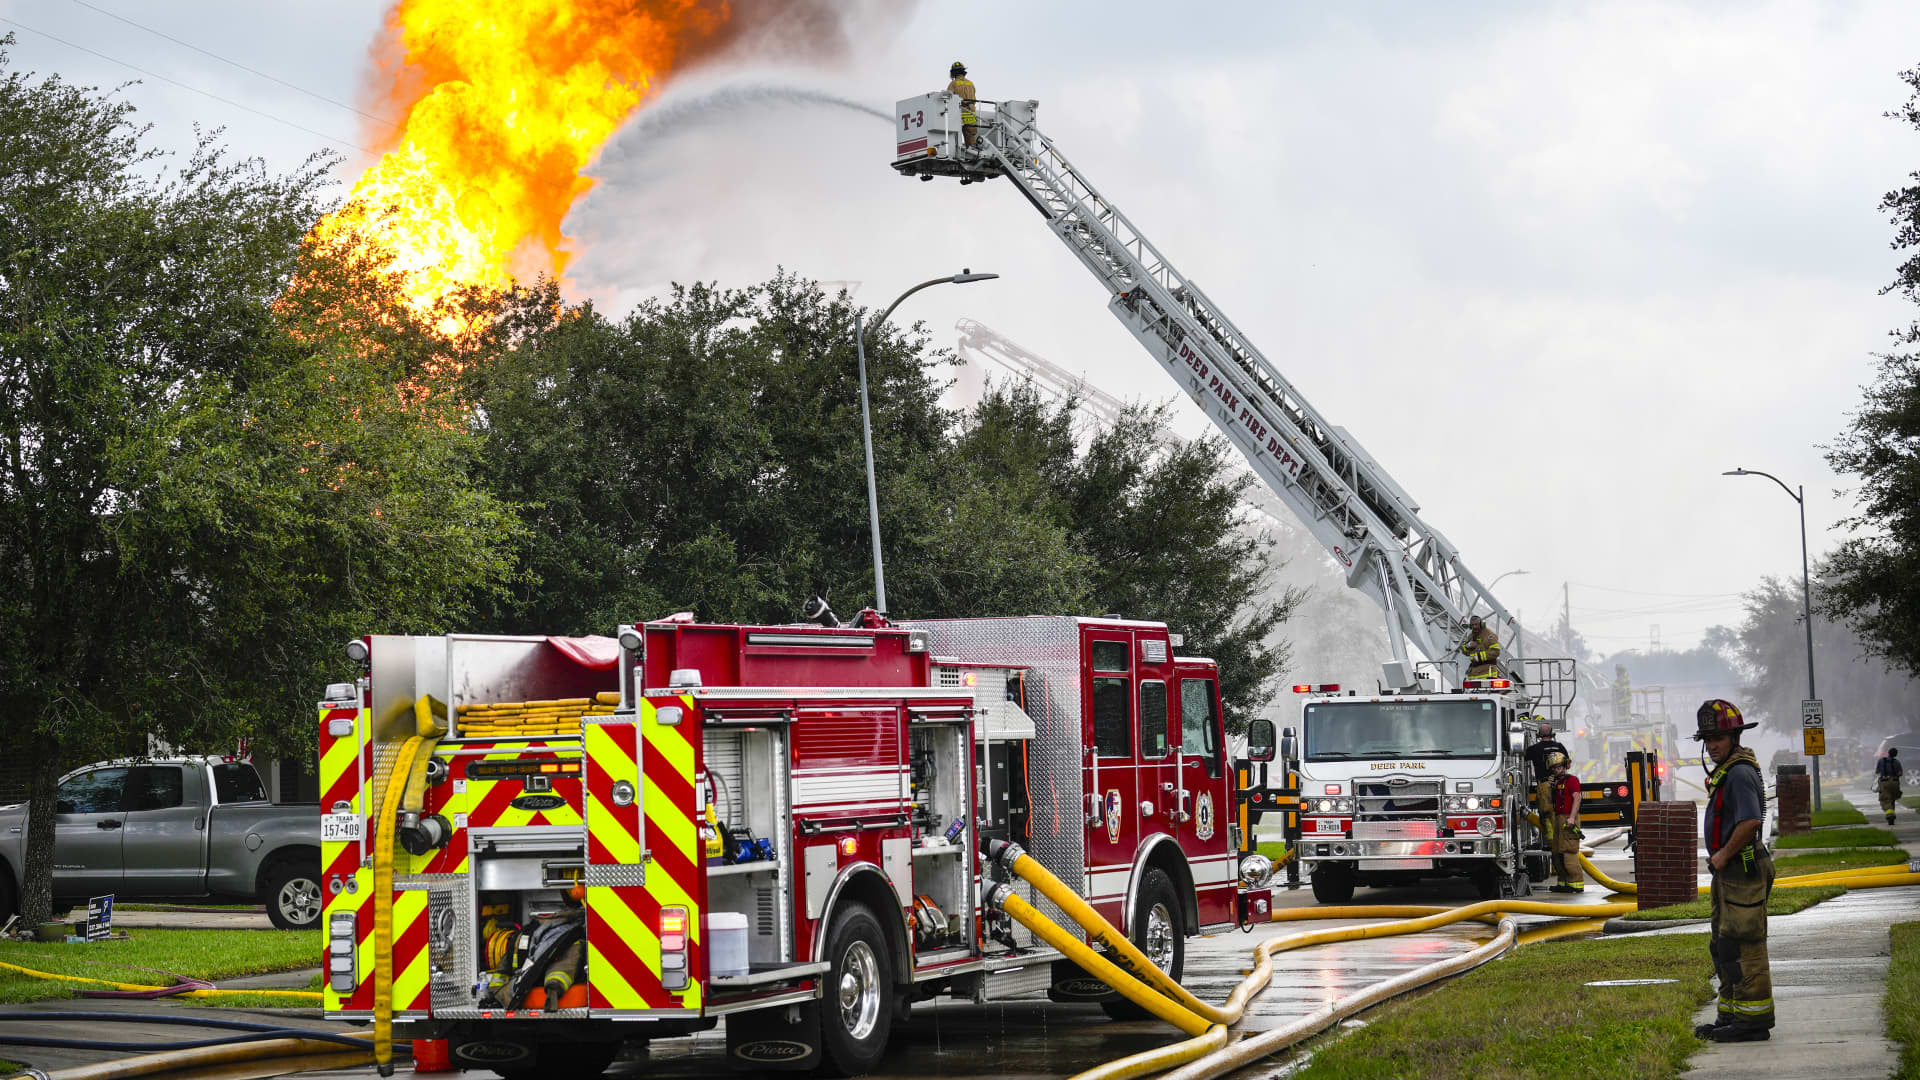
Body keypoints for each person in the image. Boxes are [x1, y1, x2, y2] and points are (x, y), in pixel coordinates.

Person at [1694, 699, 1773, 1042]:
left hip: (1740, 868)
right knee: (1725, 945)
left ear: (1735, 737)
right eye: (1708, 740)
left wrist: (1723, 855)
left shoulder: (1739, 773)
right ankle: (1731, 1015)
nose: (1712, 746)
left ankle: (1753, 1022)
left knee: (1744, 944)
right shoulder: (1729, 769)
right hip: (1729, 873)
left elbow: (1751, 820)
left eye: (1719, 739)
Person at [1525, 721, 1570, 848]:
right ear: (1552, 733)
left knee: (1545, 811)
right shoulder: (1559, 746)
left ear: (1539, 735)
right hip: (1561, 783)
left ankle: (1550, 840)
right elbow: (1568, 764)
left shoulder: (1534, 749)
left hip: (1544, 784)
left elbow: (1523, 757)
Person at [1545, 751, 1584, 893]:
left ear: (1565, 766)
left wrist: (1572, 818)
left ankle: (1576, 884)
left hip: (1569, 817)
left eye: (1559, 767)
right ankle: (1563, 883)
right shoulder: (1557, 783)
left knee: (1568, 852)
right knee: (1557, 852)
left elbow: (1577, 798)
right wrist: (1550, 787)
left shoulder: (1572, 780)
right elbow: (1550, 801)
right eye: (1554, 768)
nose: (1557, 770)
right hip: (1558, 817)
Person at [947, 61, 979, 151]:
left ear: (953, 73)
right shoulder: (971, 83)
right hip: (971, 112)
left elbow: (949, 97)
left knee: (955, 134)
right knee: (971, 134)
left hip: (960, 112)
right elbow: (974, 98)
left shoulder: (953, 84)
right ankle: (972, 151)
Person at [1877, 747, 1904, 826]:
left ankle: (1890, 814)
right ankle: (1892, 817)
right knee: (1892, 799)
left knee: (1885, 800)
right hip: (1895, 782)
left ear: (1888, 753)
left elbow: (1877, 771)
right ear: (1896, 754)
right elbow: (1900, 773)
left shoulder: (1881, 760)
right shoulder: (1897, 762)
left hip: (1884, 782)